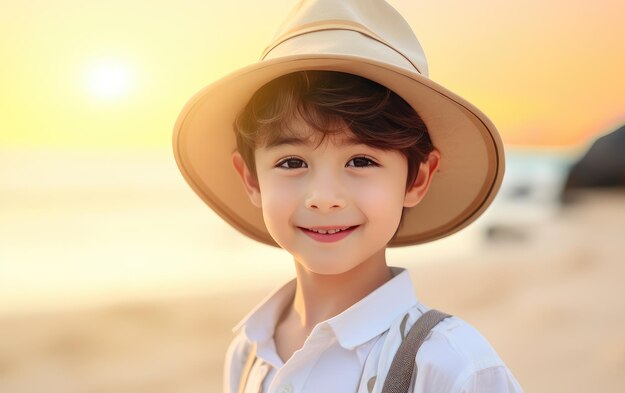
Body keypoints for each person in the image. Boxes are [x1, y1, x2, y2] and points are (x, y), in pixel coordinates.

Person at [172, 1, 524, 392]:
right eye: (291, 162)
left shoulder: (450, 366)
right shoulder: (248, 353)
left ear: (416, 179)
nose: (324, 198)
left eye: (360, 160)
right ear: (251, 178)